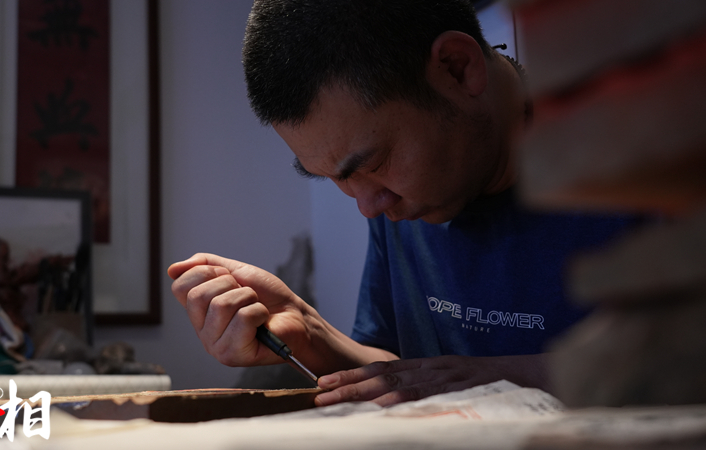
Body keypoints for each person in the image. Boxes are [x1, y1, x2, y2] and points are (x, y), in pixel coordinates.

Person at [167, 0, 637, 407]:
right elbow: (401, 369)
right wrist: (310, 333)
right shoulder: (401, 197)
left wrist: (514, 378)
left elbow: (676, 356)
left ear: (457, 68)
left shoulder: (646, 160)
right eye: (337, 179)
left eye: (374, 163)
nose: (368, 206)